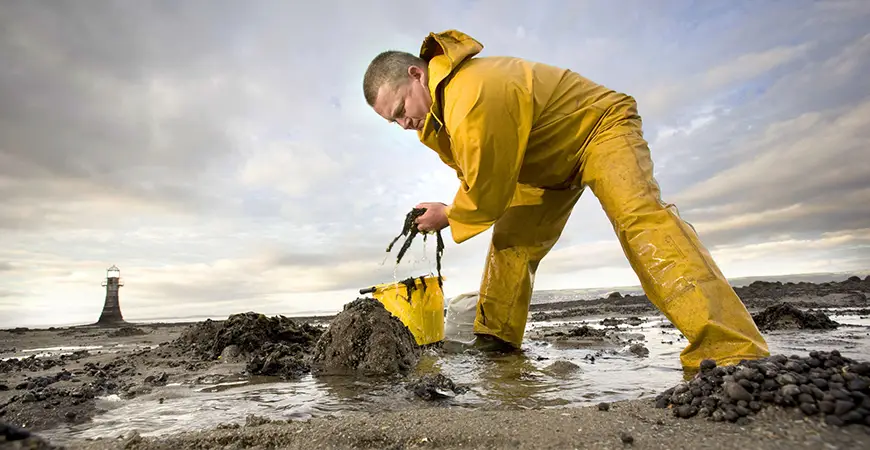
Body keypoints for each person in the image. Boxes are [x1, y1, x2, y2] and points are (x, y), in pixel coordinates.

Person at [362, 29, 770, 370]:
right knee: (511, 243)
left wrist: (449, 214)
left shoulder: (470, 94)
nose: (403, 124)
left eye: (401, 109)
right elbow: (479, 172)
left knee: (640, 221)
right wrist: (454, 206)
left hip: (597, 128)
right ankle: (497, 343)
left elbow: (486, 188)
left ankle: (731, 351)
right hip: (540, 168)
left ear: (417, 74)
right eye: (392, 120)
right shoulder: (437, 119)